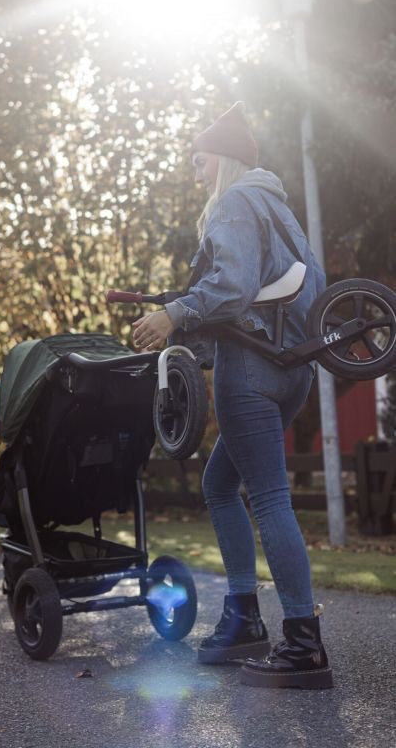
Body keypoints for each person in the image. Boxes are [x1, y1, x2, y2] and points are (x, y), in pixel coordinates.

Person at [132, 101, 332, 690]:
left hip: (251, 371)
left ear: (220, 159)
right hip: (294, 367)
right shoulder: (279, 207)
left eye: (198, 162)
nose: (195, 175)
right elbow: (300, 285)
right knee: (220, 485)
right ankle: (244, 617)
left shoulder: (235, 203)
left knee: (269, 498)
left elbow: (232, 288)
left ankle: (302, 641)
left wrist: (176, 315)